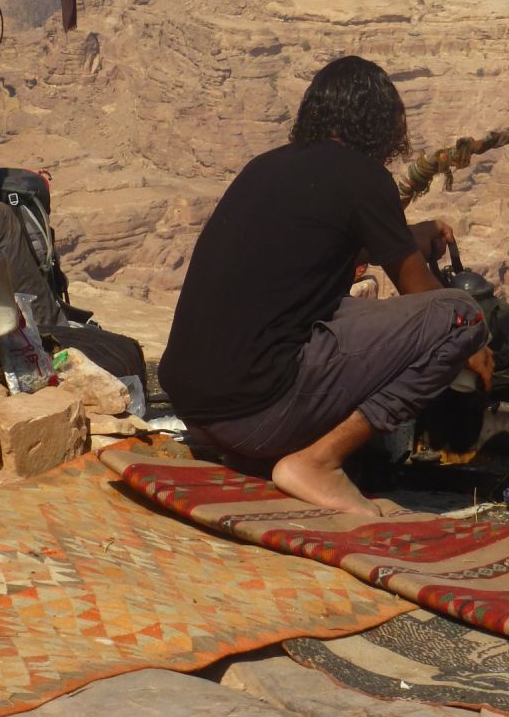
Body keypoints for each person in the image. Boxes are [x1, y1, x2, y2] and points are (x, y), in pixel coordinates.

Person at [160, 56, 492, 515]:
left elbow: (322, 246)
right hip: (256, 415)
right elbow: (423, 293)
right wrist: (474, 341)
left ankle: (265, 456)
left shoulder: (265, 166)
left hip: (196, 411)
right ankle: (318, 462)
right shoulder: (363, 176)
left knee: (350, 309)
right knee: (461, 315)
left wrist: (409, 235)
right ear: (381, 124)